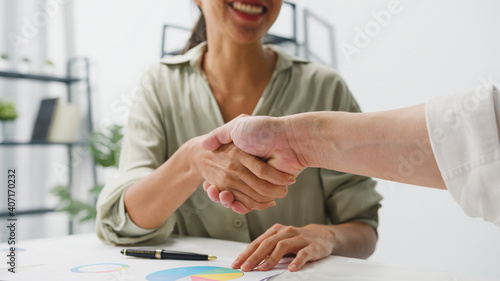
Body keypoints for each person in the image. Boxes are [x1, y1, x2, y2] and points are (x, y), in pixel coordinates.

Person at [96, 0, 382, 273]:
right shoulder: (159, 85)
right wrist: (192, 160)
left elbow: (363, 228)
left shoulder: (324, 88)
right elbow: (120, 223)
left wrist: (326, 237)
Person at [201, 85, 500, 227]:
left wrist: (294, 141)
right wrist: (293, 141)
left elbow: (478, 140)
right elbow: (478, 138)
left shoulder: (324, 84)